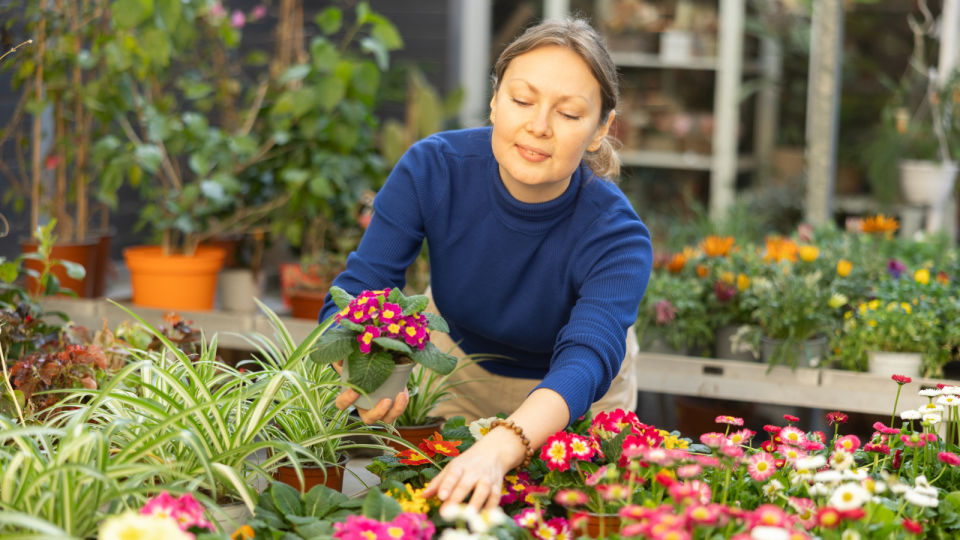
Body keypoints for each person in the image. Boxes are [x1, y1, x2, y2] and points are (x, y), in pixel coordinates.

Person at [318, 17, 652, 512]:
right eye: (522, 100)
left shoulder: (616, 234)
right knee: (439, 507)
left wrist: (502, 443)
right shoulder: (434, 169)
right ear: (495, 100)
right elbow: (366, 283)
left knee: (571, 517)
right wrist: (363, 363)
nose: (538, 126)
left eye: (569, 113)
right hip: (457, 364)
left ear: (601, 129)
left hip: (574, 393)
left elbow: (585, 358)